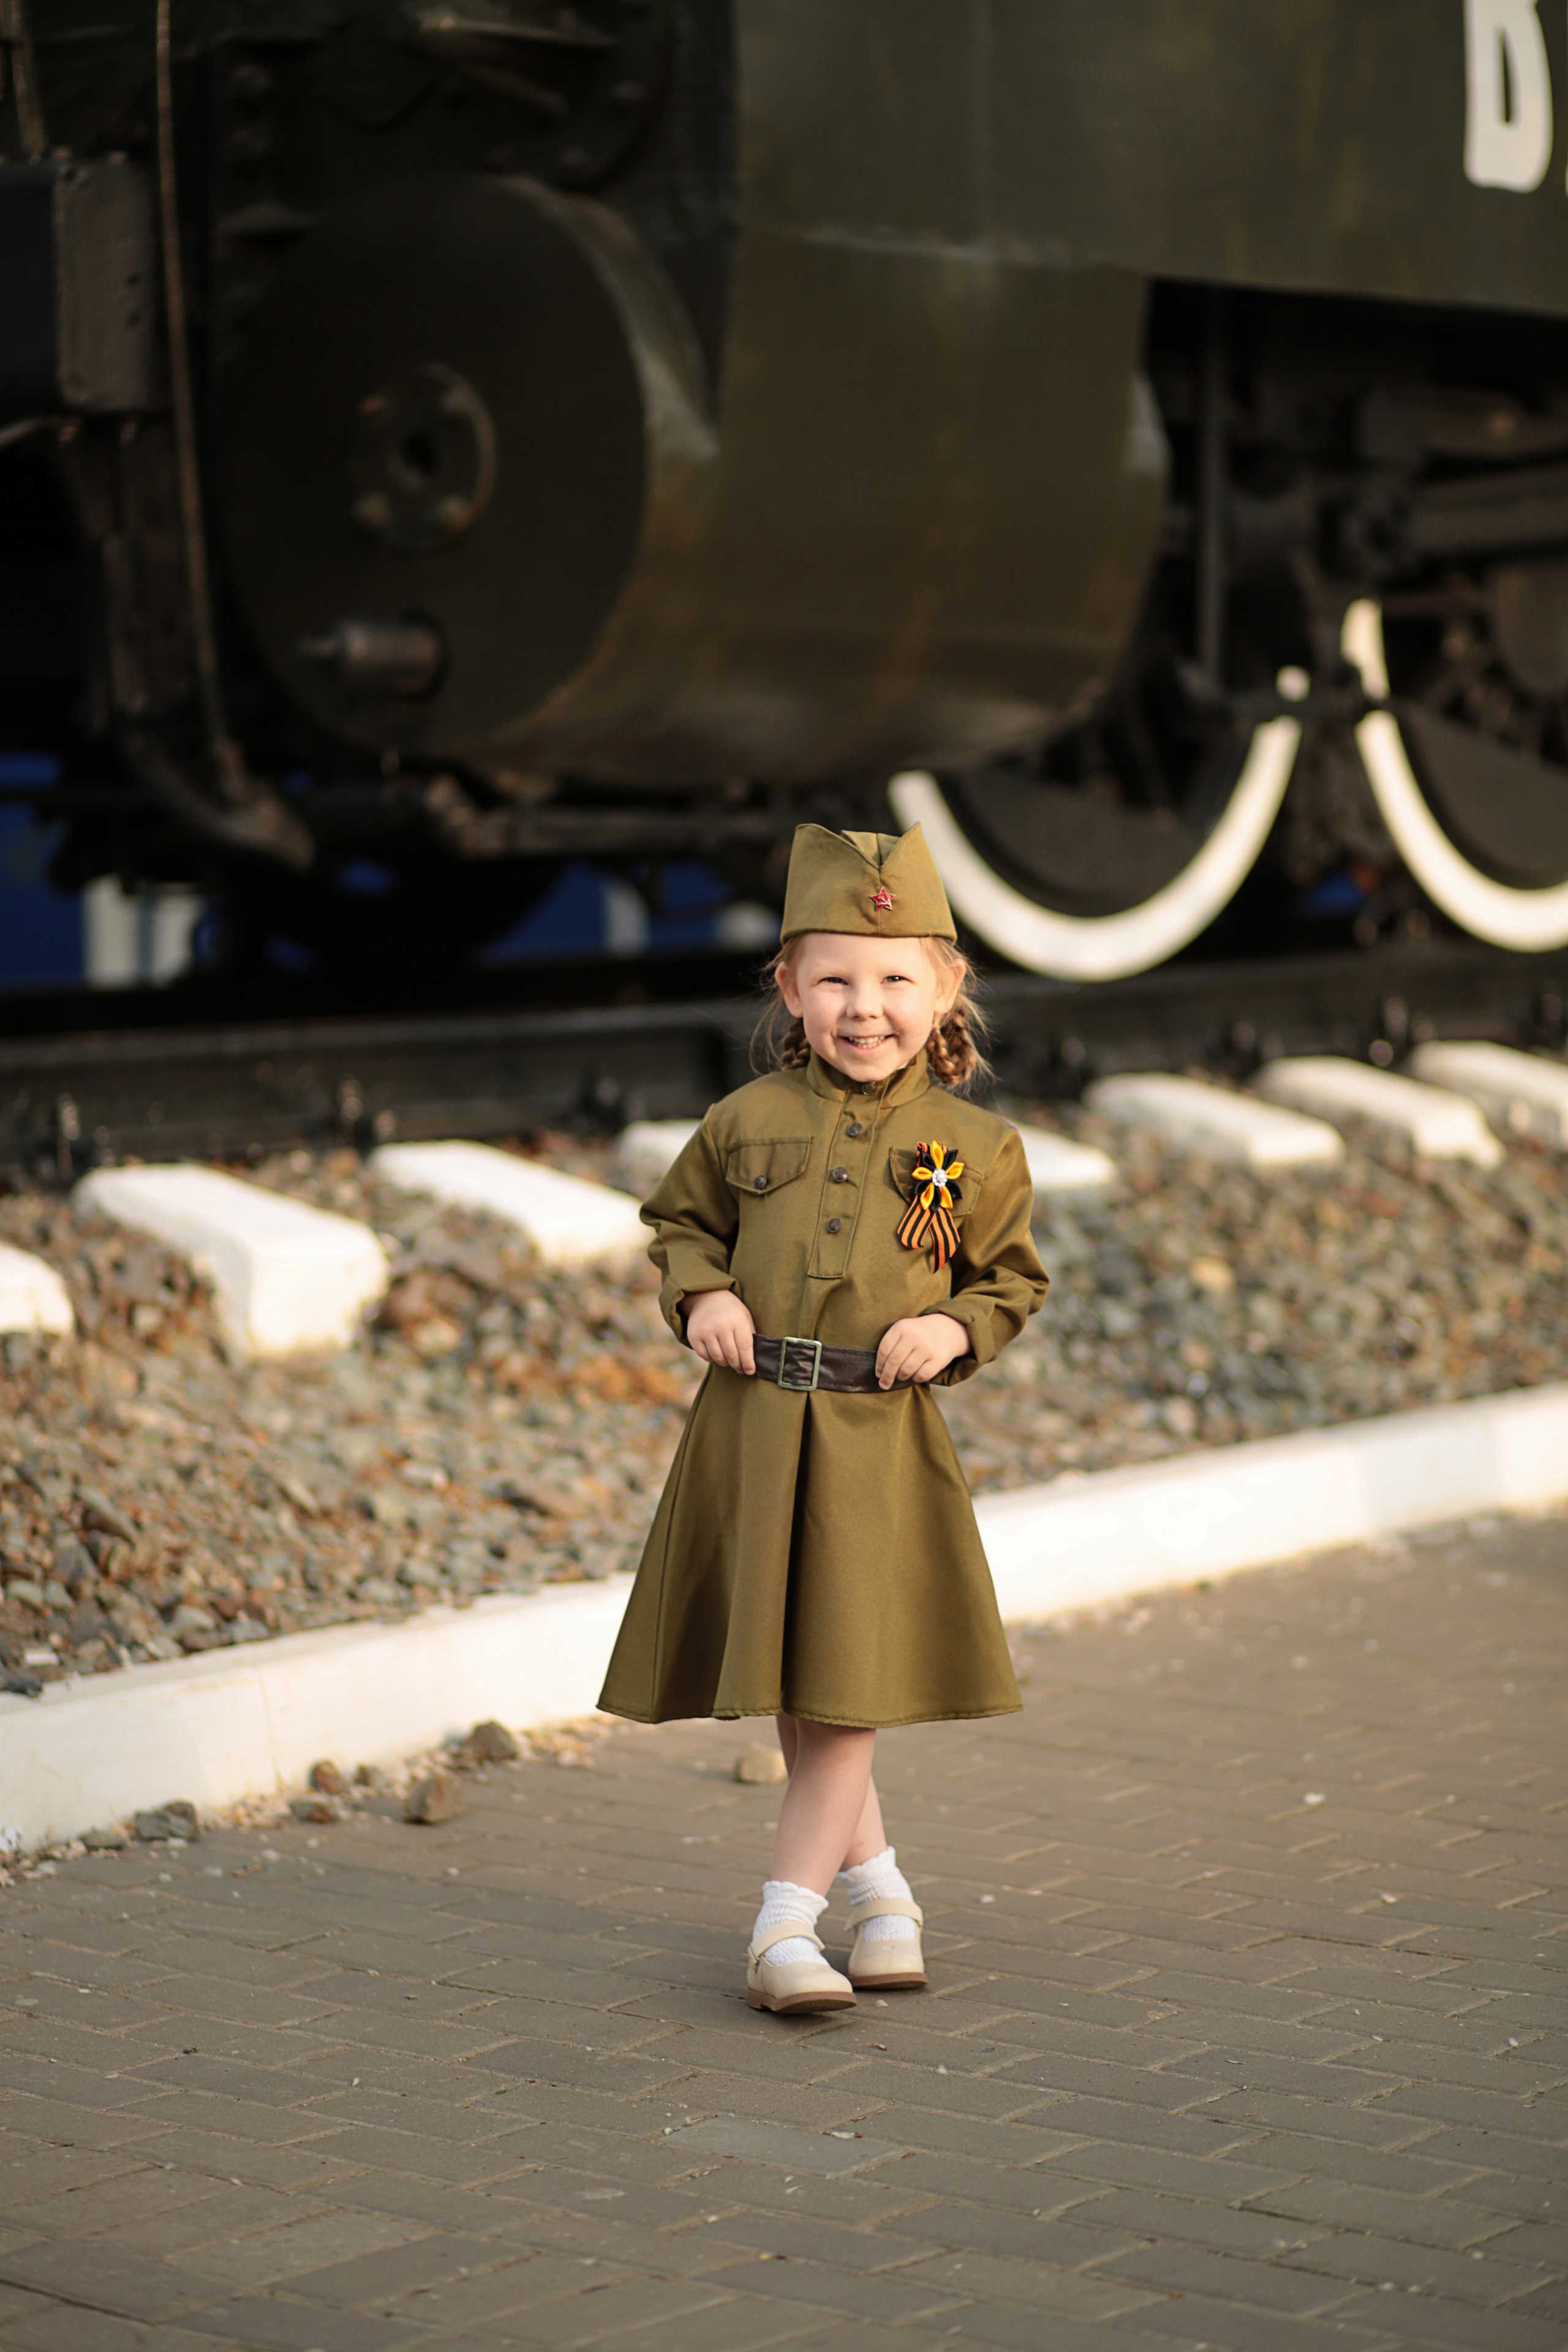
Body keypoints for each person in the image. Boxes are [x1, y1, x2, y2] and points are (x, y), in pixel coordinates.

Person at [598, 823, 1049, 2013]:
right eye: (835, 980)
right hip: (753, 1434)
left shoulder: (977, 1147)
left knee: (841, 1691)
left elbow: (1006, 1280)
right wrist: (696, 1294)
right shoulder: (740, 1122)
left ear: (945, 986)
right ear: (787, 988)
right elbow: (680, 1224)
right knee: (810, 1680)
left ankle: (781, 1927)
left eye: (896, 979)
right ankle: (885, 1898)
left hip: (875, 1444)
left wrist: (952, 1331)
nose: (865, 1007)